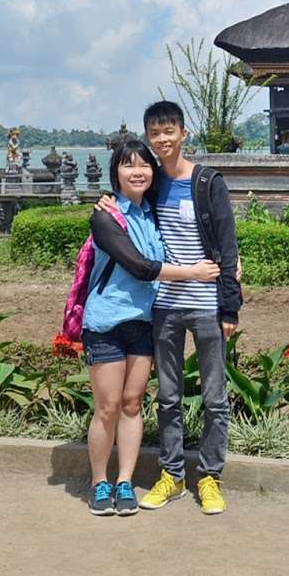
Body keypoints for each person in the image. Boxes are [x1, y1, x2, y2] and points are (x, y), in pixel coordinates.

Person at [104, 100, 243, 515]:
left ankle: (211, 477)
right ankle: (172, 475)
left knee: (215, 398)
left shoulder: (207, 182)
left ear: (184, 133)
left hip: (206, 305)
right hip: (164, 305)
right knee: (168, 396)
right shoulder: (153, 183)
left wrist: (230, 307)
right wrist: (105, 203)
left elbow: (228, 244)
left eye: (169, 132)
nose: (162, 140)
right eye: (155, 133)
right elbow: (125, 205)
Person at [82, 137, 219, 517]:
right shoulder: (106, 215)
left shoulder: (153, 213)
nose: (138, 171)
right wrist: (193, 274)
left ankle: (124, 480)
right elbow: (139, 267)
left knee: (131, 404)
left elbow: (190, 235)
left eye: (144, 164)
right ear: (116, 173)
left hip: (143, 323)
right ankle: (98, 481)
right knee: (107, 407)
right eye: (128, 165)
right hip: (106, 323)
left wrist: (229, 260)